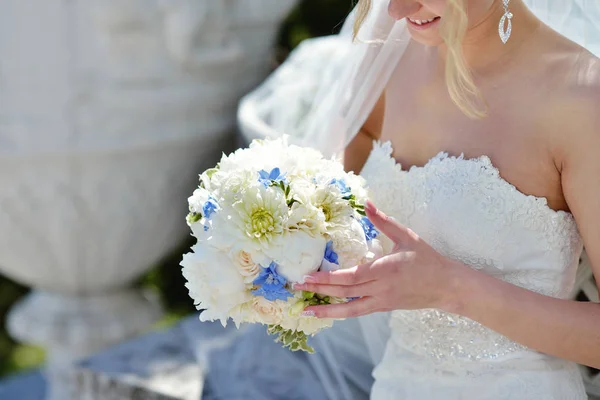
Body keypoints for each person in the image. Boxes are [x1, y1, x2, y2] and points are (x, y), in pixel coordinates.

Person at [193, 1, 600, 399]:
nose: (397, 10)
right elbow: (352, 181)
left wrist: (452, 288)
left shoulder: (582, 100)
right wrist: (288, 241)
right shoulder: (393, 47)